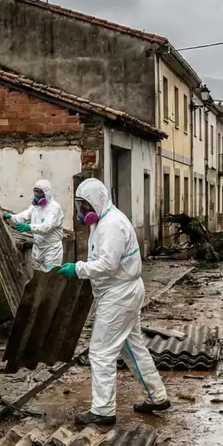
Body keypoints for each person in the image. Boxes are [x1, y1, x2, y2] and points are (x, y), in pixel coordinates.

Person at [56, 178, 169, 426]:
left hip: (120, 294)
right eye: (80, 206)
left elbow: (108, 264)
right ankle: (157, 396)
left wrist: (78, 269)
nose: (81, 211)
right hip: (119, 292)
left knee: (100, 351)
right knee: (132, 347)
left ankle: (103, 410)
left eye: (85, 206)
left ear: (97, 201)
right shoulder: (101, 222)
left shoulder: (112, 224)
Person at [4, 179, 64, 272]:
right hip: (38, 247)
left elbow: (47, 227)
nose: (37, 195)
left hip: (52, 249)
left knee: (51, 277)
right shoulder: (35, 207)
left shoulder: (54, 208)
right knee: (37, 277)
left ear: (46, 193)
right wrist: (12, 217)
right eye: (35, 192)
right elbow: (24, 215)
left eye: (40, 193)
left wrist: (29, 227)